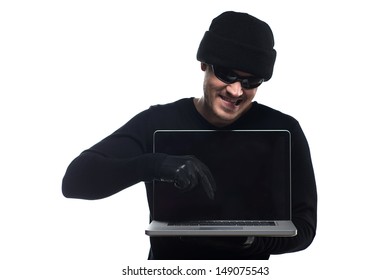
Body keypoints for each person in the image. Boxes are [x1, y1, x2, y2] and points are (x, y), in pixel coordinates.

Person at [62, 11, 317, 260]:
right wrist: (155, 165)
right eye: (227, 74)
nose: (236, 90)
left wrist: (249, 241)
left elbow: (304, 227)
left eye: (251, 81)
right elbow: (75, 181)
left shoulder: (283, 130)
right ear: (204, 63)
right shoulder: (158, 122)